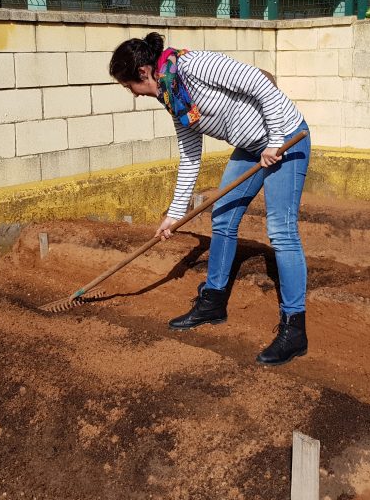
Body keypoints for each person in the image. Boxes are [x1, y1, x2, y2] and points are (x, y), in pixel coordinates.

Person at [109, 32, 312, 365]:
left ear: (143, 72)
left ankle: (295, 329)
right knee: (222, 218)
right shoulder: (172, 95)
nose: (131, 94)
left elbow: (263, 86)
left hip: (286, 138)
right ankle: (213, 303)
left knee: (281, 229)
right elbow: (190, 154)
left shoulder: (195, 65)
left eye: (128, 85)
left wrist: (275, 140)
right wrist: (174, 215)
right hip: (251, 148)